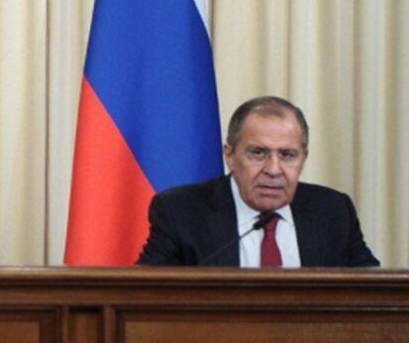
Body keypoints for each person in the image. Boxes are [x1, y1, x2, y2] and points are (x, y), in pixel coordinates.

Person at [137, 96, 378, 267]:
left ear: (304, 159)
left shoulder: (332, 211)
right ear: (229, 155)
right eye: (258, 153)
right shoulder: (181, 212)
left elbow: (372, 292)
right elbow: (144, 295)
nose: (273, 170)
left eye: (287, 155)